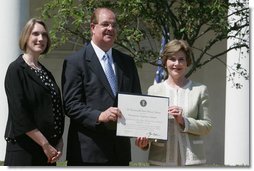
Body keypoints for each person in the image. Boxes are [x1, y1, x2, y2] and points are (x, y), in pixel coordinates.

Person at [61, 7, 142, 166]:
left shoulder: (127, 62)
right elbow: (71, 105)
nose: (110, 29)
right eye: (105, 24)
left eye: (114, 25)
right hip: (88, 153)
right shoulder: (75, 62)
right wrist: (99, 116)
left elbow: (136, 100)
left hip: (120, 153)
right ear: (93, 27)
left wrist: (143, 129)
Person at [135, 39, 212, 166]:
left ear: (187, 62)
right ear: (165, 62)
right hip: (160, 161)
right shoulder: (154, 90)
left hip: (192, 161)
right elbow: (149, 125)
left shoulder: (200, 90)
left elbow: (207, 126)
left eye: (181, 59)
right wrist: (144, 143)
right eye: (172, 59)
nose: (177, 63)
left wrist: (183, 121)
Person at [4, 18, 65, 166]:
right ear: (26, 37)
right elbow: (19, 114)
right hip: (24, 151)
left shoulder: (45, 73)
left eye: (44, 35)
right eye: (35, 34)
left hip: (48, 151)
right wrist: (45, 144)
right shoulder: (16, 69)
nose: (41, 39)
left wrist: (58, 142)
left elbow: (54, 109)